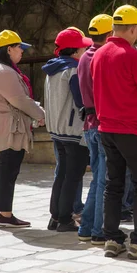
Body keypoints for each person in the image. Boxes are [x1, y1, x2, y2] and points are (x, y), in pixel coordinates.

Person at [91, 4, 137, 259]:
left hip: (106, 129)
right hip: (132, 130)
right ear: (134, 29)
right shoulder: (135, 56)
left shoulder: (99, 54)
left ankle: (112, 238)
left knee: (113, 184)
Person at [0, 30, 45, 227]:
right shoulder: (4, 71)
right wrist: (40, 114)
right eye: (19, 48)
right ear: (9, 49)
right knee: (8, 170)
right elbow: (19, 99)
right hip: (9, 128)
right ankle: (5, 215)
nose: (22, 52)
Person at [43, 28, 92, 232]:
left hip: (57, 130)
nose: (85, 50)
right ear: (74, 51)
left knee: (62, 174)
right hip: (72, 130)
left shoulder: (52, 70)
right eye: (82, 47)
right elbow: (81, 99)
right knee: (73, 175)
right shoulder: (73, 70)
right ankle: (65, 218)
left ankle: (55, 216)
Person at [77, 14, 114, 245]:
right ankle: (99, 230)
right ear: (110, 34)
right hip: (101, 124)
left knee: (98, 178)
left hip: (90, 124)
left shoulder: (84, 57)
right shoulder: (101, 57)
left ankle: (87, 227)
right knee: (104, 181)